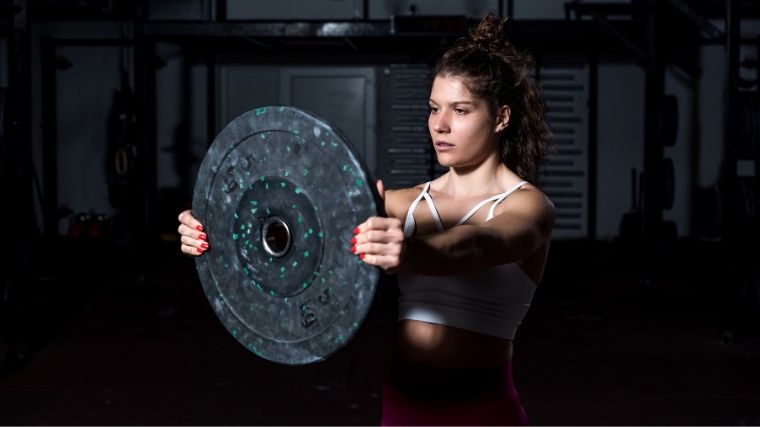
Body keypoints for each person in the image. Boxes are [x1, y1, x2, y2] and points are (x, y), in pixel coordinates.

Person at [178, 12, 554, 426]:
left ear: (501, 117)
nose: (439, 125)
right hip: (403, 406)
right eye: (433, 109)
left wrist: (409, 250)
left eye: (460, 110)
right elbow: (299, 224)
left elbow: (480, 244)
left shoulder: (528, 207)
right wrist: (210, 229)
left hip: (485, 411)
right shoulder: (404, 203)